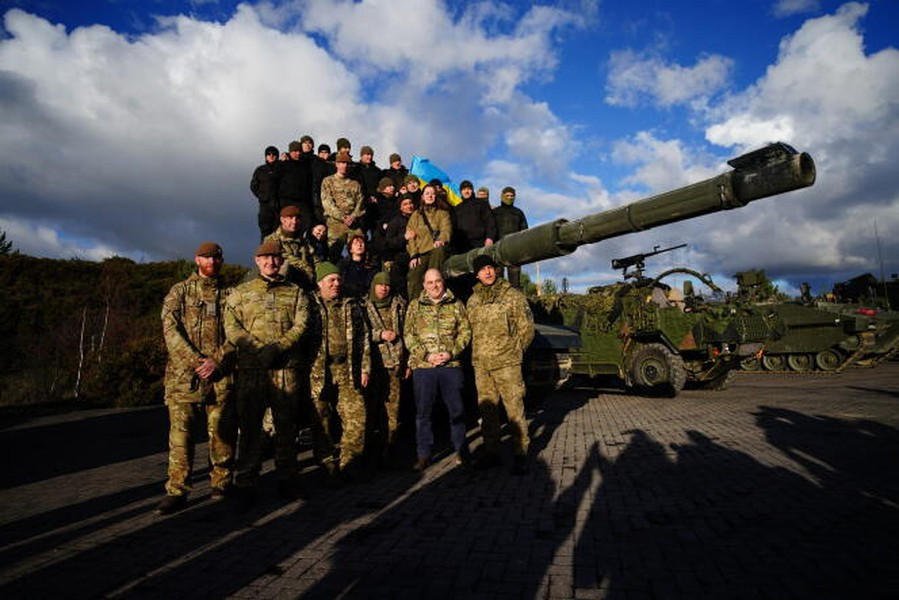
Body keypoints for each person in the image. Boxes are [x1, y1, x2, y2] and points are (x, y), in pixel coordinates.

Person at [224, 241, 310, 503]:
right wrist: (258, 348)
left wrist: (278, 347)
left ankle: (287, 478)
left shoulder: (295, 292)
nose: (272, 262)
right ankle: (246, 480)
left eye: (276, 258)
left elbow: (302, 323)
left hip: (284, 370)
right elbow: (232, 328)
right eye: (266, 258)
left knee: (285, 428)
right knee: (250, 429)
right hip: (252, 370)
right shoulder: (240, 293)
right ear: (257, 261)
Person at [157, 241, 237, 515]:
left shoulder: (231, 294)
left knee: (222, 435)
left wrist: (218, 360)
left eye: (216, 258)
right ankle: (177, 490)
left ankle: (222, 484)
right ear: (196, 259)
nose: (212, 262)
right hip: (184, 378)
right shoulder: (179, 292)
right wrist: (196, 361)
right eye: (206, 257)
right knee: (181, 437)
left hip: (220, 376)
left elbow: (239, 333)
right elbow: (170, 329)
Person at [466, 254, 535, 474]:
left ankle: (520, 453)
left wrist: (515, 352)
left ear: (495, 270)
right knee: (488, 411)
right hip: (482, 365)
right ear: (476, 274)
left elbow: (527, 328)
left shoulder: (512, 295)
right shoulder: (473, 300)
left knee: (514, 409)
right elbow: (469, 332)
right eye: (482, 269)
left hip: (507, 364)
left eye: (490, 268)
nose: (487, 272)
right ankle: (492, 451)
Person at [308, 262, 372, 481]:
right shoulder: (308, 304)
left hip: (348, 370)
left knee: (356, 416)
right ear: (320, 283)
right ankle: (326, 465)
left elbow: (364, 337)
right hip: (319, 372)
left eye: (338, 280)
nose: (336, 284)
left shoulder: (351, 304)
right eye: (331, 280)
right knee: (320, 420)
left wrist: (365, 368)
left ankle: (349, 463)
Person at [403, 268, 472, 471]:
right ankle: (423, 455)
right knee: (424, 413)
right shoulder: (415, 306)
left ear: (444, 282)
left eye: (438, 281)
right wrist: (426, 355)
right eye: (430, 282)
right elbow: (409, 335)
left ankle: (461, 451)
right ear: (424, 285)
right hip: (424, 368)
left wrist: (451, 353)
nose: (434, 285)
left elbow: (465, 332)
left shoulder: (456, 304)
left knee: (457, 411)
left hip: (450, 366)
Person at [364, 272, 409, 463]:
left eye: (387, 285)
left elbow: (409, 333)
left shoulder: (400, 305)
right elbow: (359, 333)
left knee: (394, 411)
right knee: (372, 410)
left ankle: (389, 451)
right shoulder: (363, 306)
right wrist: (380, 334)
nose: (384, 288)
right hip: (374, 366)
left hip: (395, 365)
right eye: (380, 285)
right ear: (374, 285)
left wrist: (408, 362)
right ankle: (371, 453)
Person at [405, 183, 451, 299]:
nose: (430, 196)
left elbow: (446, 229)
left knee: (434, 270)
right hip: (421, 253)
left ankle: (435, 297)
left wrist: (441, 239)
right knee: (414, 275)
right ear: (422, 197)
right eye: (427, 193)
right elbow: (411, 237)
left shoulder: (442, 213)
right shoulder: (416, 215)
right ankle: (414, 307)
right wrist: (414, 255)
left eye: (432, 194)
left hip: (436, 250)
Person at [321, 149, 365, 261]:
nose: (344, 166)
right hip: (335, 223)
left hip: (353, 224)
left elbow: (360, 203)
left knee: (360, 249)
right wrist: (342, 217)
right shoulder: (328, 181)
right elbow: (327, 202)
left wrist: (353, 217)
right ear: (336, 164)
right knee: (334, 254)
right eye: (341, 163)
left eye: (347, 163)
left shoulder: (355, 184)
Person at [264, 205, 316, 290]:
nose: (294, 222)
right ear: (282, 220)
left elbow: (314, 258)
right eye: (290, 218)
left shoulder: (303, 241)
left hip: (306, 277)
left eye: (297, 218)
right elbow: (283, 258)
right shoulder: (272, 240)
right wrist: (305, 267)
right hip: (286, 278)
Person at [492, 186, 529, 288]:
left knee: (515, 283)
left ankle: (516, 302)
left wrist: (522, 247)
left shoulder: (519, 213)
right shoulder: (495, 212)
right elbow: (490, 229)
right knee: (498, 281)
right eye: (507, 195)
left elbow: (525, 231)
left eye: (512, 196)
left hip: (514, 249)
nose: (509, 197)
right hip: (497, 249)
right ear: (502, 196)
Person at [382, 193, 416, 297]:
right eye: (405, 204)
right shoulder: (395, 222)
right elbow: (388, 243)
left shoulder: (419, 218)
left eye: (410, 203)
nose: (409, 206)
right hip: (401, 256)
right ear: (400, 207)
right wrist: (404, 238)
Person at [276, 140, 315, 230]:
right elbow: (275, 182)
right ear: (290, 152)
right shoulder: (282, 165)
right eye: (295, 151)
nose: (297, 153)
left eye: (299, 151)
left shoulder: (306, 166)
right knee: (287, 226)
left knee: (307, 224)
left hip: (303, 202)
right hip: (286, 201)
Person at [451, 180, 497, 253]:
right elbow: (454, 228)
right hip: (463, 246)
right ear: (461, 192)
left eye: (469, 189)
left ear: (472, 190)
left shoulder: (481, 204)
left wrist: (490, 238)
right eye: (464, 189)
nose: (466, 191)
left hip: (481, 243)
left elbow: (490, 222)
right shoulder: (457, 209)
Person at [250, 146, 281, 240]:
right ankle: (264, 252)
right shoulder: (260, 170)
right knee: (265, 231)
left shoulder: (282, 169)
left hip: (279, 205)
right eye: (269, 154)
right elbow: (253, 186)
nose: (271, 156)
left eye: (273, 154)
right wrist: (262, 196)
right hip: (265, 205)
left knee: (279, 231)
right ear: (265, 156)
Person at [337, 231, 378, 298]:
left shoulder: (371, 266)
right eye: (356, 243)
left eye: (361, 243)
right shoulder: (343, 265)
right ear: (351, 249)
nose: (359, 245)